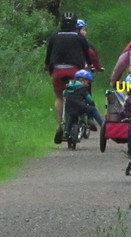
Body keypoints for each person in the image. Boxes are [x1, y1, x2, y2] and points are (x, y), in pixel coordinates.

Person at [44, 12, 92, 144]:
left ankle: (60, 124)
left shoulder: (54, 37)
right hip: (75, 70)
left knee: (59, 97)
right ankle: (79, 119)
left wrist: (48, 67)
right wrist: (89, 66)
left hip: (58, 70)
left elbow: (48, 56)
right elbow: (87, 55)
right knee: (80, 93)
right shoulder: (79, 37)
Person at [63, 69, 104, 137]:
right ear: (82, 80)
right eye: (87, 82)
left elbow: (64, 94)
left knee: (70, 117)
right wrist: (92, 103)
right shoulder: (82, 88)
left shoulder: (68, 86)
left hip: (69, 107)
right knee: (93, 109)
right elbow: (88, 98)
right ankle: (102, 124)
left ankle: (67, 131)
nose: (88, 84)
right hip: (80, 107)